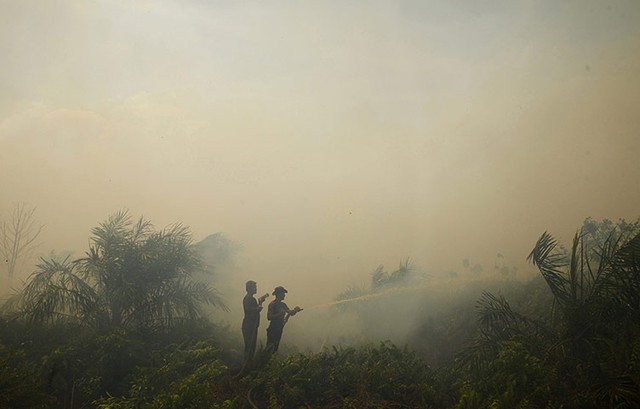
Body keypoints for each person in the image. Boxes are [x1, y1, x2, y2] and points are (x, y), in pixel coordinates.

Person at [266, 286, 302, 354]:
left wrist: (295, 310)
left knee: (275, 347)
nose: (284, 295)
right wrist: (279, 314)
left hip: (279, 328)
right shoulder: (272, 304)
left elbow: (290, 313)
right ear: (278, 294)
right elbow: (269, 317)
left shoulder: (283, 305)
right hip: (273, 328)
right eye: (283, 293)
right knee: (269, 347)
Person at [242, 280, 268, 366]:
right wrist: (258, 308)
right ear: (249, 288)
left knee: (251, 346)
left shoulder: (250, 298)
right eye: (254, 287)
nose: (256, 289)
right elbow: (249, 310)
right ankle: (246, 365)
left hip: (252, 325)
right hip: (249, 326)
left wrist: (260, 303)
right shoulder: (249, 298)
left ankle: (248, 365)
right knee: (249, 347)